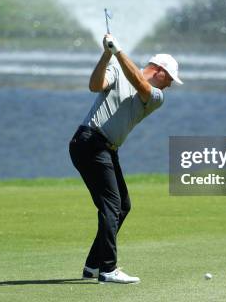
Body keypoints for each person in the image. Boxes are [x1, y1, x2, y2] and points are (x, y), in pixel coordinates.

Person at [69, 33, 183, 284]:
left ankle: (93, 266)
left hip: (105, 148)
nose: (171, 85)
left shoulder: (155, 96)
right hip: (90, 142)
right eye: (171, 79)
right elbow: (95, 85)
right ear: (160, 71)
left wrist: (118, 51)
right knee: (111, 206)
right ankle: (108, 269)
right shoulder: (118, 70)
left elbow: (139, 83)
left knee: (122, 206)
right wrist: (107, 54)